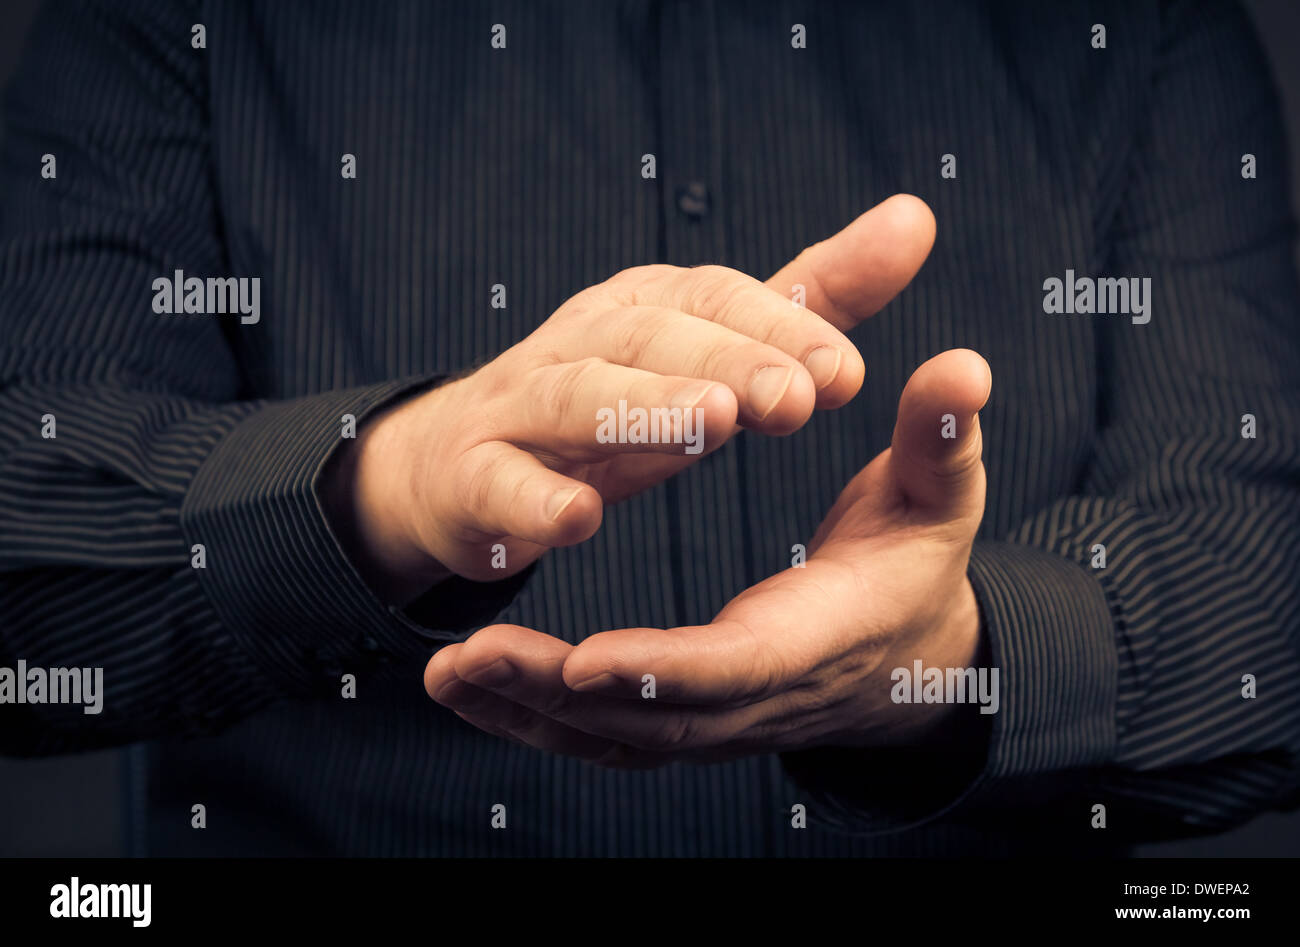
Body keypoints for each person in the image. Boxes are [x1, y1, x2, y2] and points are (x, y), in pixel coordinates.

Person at [1, 0, 1297, 856]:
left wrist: (949, 658)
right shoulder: (183, 22)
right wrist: (376, 495)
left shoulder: (1139, 31)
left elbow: (1268, 578)